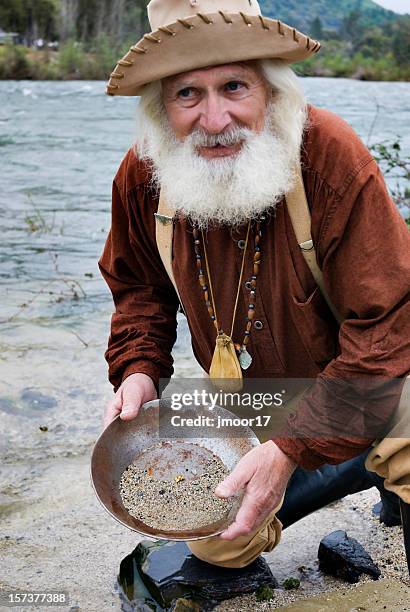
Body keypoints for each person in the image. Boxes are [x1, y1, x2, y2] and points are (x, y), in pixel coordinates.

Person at [99, 0, 410, 567]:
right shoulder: (144, 176)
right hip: (257, 401)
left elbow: (388, 328)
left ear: (272, 92)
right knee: (216, 538)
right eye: (186, 94)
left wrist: (292, 447)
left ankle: (391, 471)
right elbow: (139, 289)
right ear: (160, 109)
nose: (214, 121)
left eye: (235, 86)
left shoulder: (330, 158)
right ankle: (358, 469)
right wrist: (140, 369)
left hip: (369, 380)